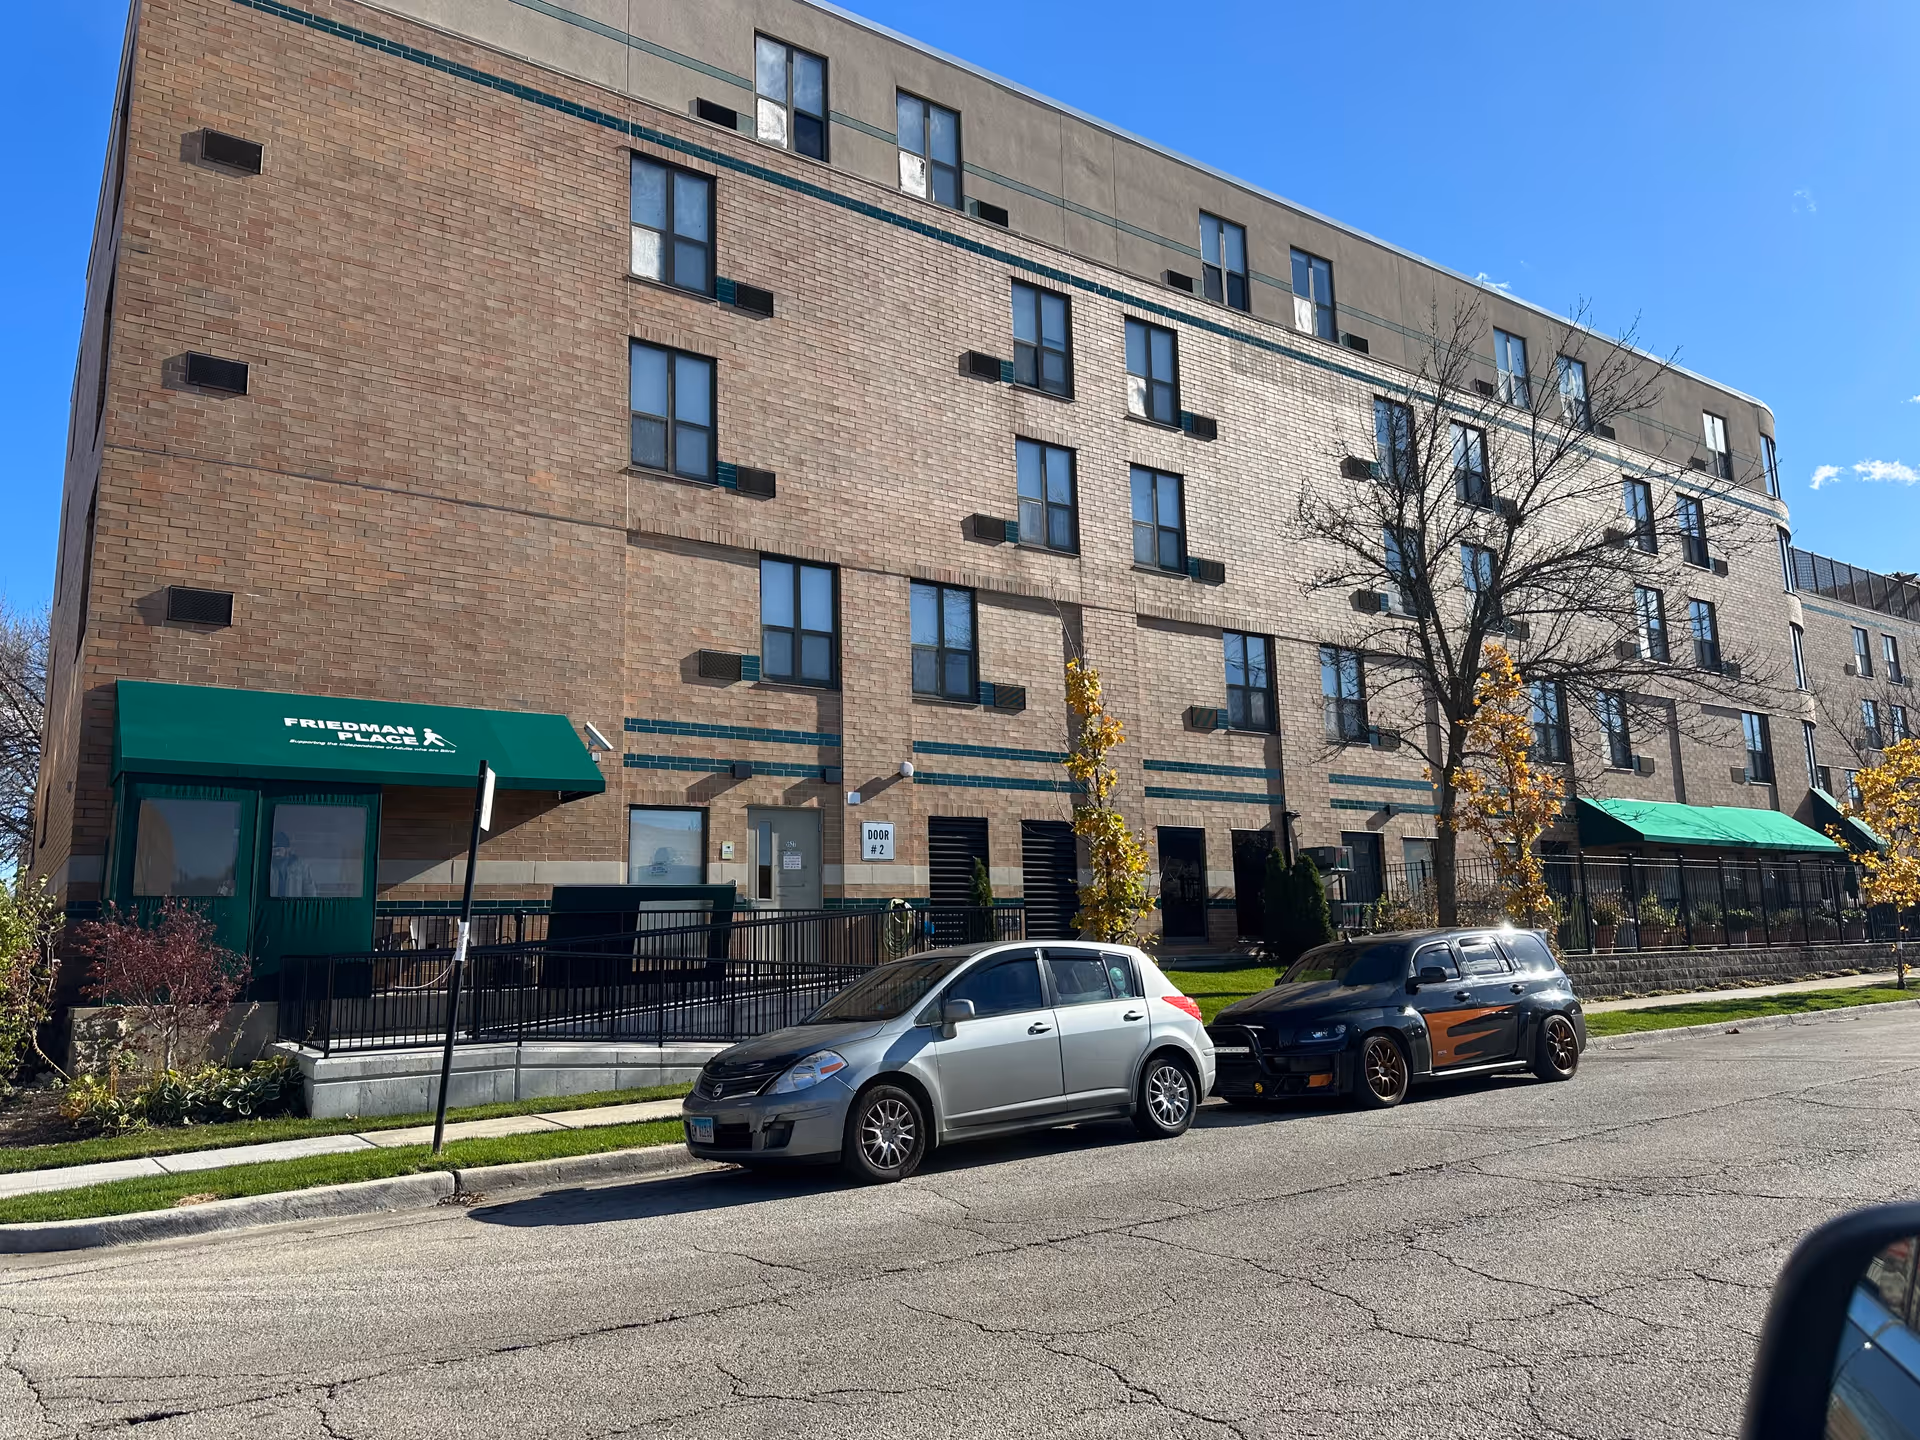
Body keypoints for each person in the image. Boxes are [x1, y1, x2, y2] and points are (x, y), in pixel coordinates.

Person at [271, 830, 318, 897]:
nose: (276, 854)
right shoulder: (269, 867)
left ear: (287, 849)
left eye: (279, 850)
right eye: (273, 851)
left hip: (293, 906)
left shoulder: (302, 868)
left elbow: (310, 892)